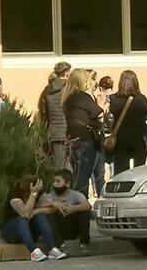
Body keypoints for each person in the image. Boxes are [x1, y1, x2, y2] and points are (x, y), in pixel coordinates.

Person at [1, 175, 67, 262]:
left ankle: (52, 249)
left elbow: (52, 207)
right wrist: (33, 194)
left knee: (40, 215)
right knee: (21, 220)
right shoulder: (15, 194)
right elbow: (25, 213)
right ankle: (34, 251)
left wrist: (36, 211)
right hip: (12, 232)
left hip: (30, 232)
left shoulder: (38, 192)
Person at [62, 69, 105, 198]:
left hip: (74, 139)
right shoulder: (81, 96)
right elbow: (98, 112)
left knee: (78, 174)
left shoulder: (68, 97)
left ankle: (77, 204)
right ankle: (81, 208)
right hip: (86, 140)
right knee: (84, 176)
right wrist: (101, 102)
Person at [109, 71, 147, 175]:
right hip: (138, 138)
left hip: (120, 139)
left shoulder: (114, 99)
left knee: (121, 172)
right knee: (140, 172)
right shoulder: (141, 99)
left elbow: (111, 116)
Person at [46, 170, 92, 256]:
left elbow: (88, 205)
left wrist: (72, 208)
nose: (55, 184)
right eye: (54, 181)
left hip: (73, 228)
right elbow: (44, 202)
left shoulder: (76, 195)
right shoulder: (51, 195)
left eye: (58, 181)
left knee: (85, 212)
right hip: (59, 228)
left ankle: (84, 244)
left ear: (67, 183)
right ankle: (60, 245)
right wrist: (56, 205)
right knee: (49, 214)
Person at [38, 62, 71, 171]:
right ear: (66, 73)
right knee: (68, 169)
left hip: (53, 132)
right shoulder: (68, 89)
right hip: (66, 131)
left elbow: (42, 111)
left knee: (57, 167)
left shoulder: (47, 90)